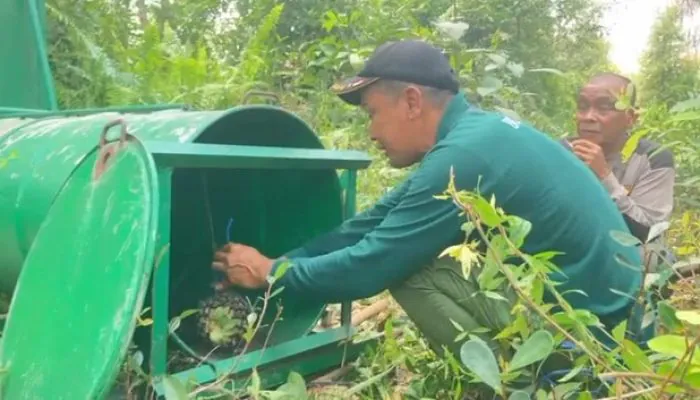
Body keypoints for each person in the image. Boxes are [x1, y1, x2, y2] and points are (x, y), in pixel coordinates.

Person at [210, 40, 642, 358]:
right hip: (614, 307)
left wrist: (272, 275)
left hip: (594, 333)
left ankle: (523, 378)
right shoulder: (476, 134)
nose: (372, 132)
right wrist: (280, 259)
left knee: (409, 267)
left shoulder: (464, 156)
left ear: (413, 101)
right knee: (409, 248)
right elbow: (370, 223)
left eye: (373, 114)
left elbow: (371, 265)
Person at [564, 73, 676, 268]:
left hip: (622, 250)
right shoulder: (560, 151)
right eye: (582, 106)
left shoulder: (654, 158)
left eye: (604, 107)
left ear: (630, 118)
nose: (588, 117)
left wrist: (604, 176)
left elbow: (648, 232)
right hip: (574, 243)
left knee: (654, 257)